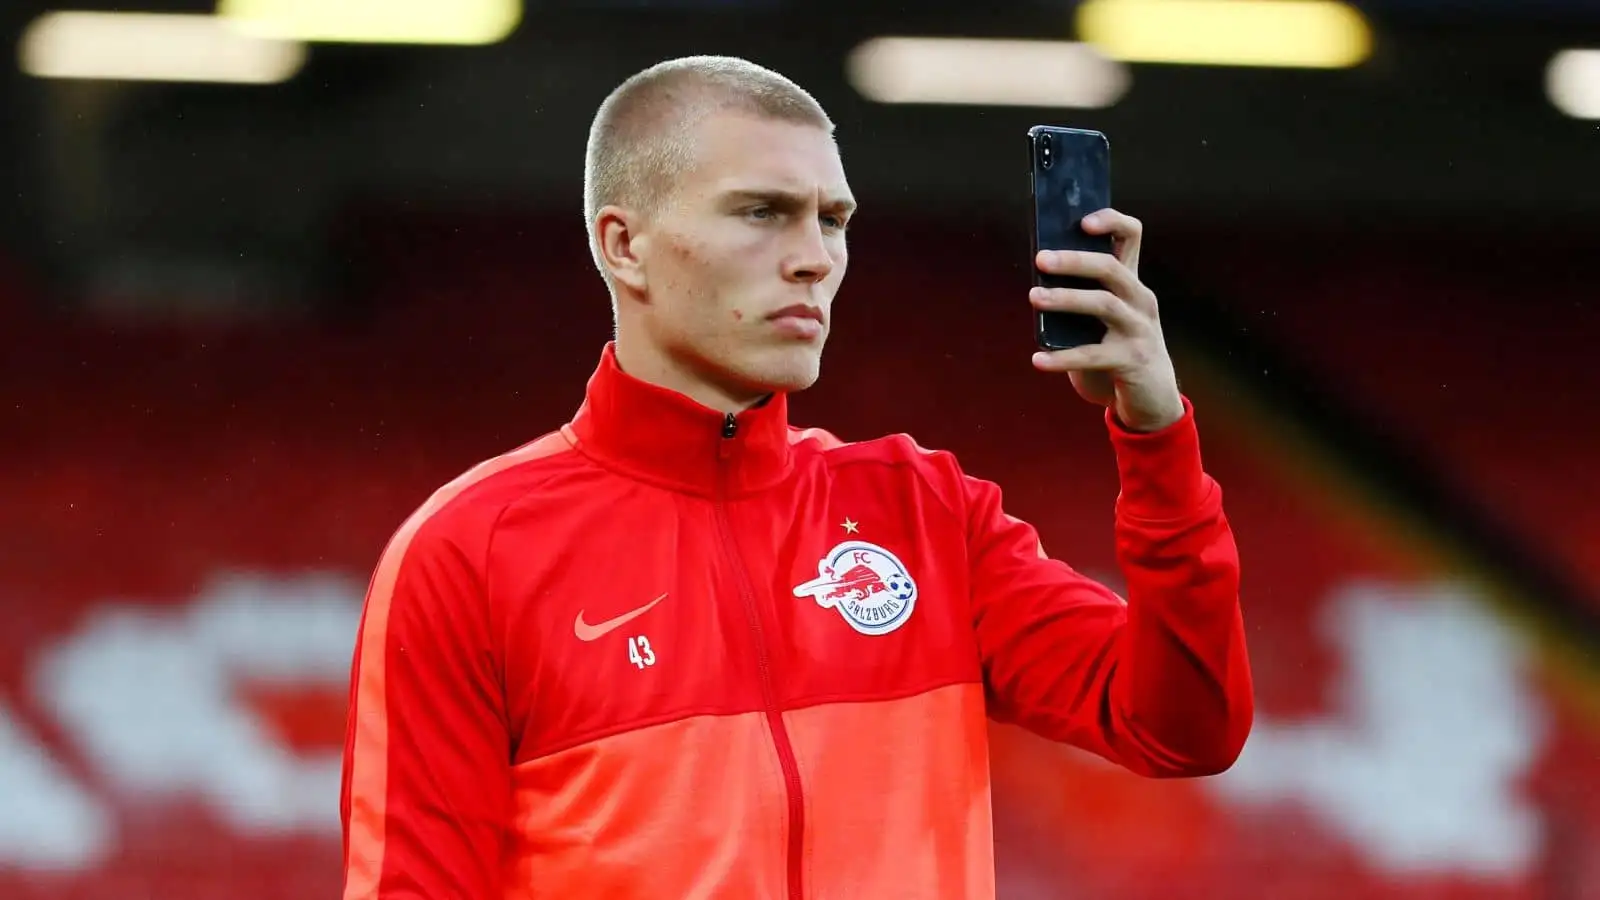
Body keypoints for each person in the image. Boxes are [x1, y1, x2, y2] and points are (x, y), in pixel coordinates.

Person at [339, 55, 1253, 900]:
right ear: (624, 246)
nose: (815, 255)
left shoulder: (925, 511)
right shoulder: (469, 550)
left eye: (833, 219)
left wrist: (1154, 433)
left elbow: (1181, 728)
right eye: (762, 212)